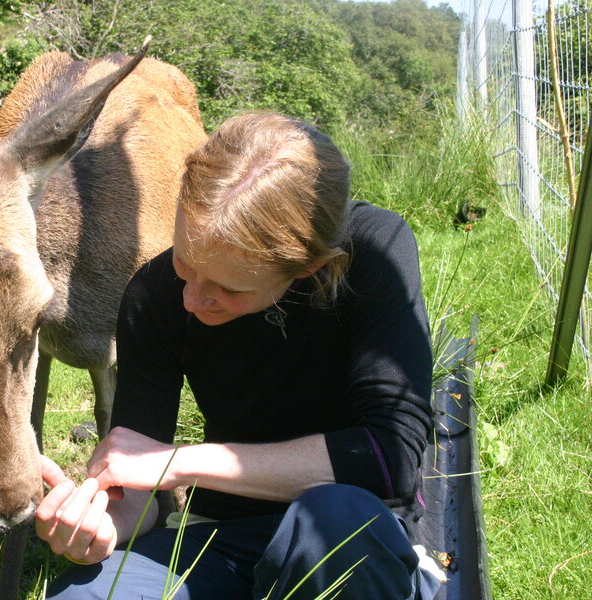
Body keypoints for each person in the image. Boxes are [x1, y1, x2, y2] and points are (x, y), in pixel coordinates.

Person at [34, 112, 443, 599]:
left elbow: (386, 459)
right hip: (222, 536)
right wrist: (103, 526)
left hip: (352, 531)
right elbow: (137, 485)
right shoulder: (155, 293)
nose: (192, 298)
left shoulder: (375, 250)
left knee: (336, 529)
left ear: (309, 267)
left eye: (229, 288)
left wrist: (182, 463)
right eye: (184, 262)